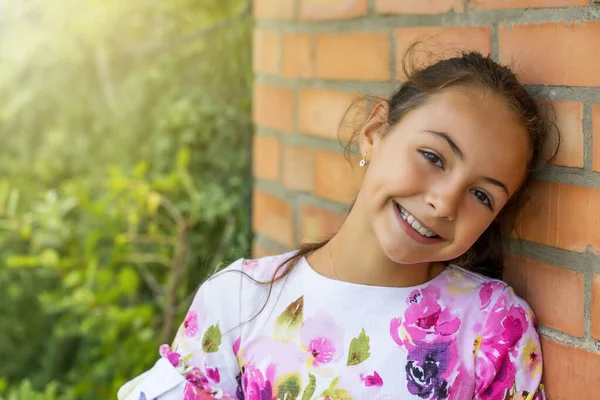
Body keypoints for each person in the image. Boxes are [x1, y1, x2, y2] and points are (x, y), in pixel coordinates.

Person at [118, 49, 557, 400]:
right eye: (432, 157)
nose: (444, 202)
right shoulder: (238, 302)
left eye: (482, 195)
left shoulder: (492, 328)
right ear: (375, 133)